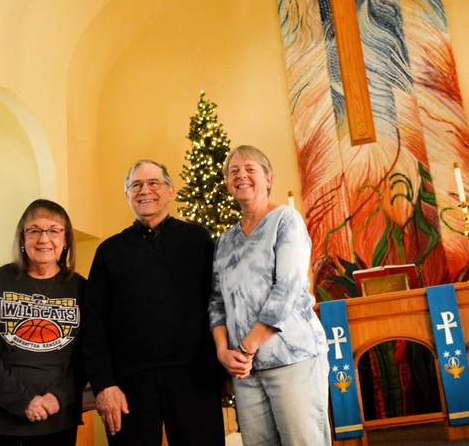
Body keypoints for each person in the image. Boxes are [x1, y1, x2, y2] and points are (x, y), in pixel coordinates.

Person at [82, 159, 224, 446]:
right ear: (127, 195)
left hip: (195, 378)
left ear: (170, 191)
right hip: (128, 386)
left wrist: (223, 365)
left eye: (153, 183)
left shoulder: (198, 240)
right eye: (136, 185)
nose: (144, 190)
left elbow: (220, 303)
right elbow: (92, 323)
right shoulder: (109, 252)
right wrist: (104, 384)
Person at [209, 145, 330, 446]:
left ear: (268, 179)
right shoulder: (226, 240)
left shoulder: (286, 220)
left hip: (292, 359)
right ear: (227, 184)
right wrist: (224, 351)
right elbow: (216, 302)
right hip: (245, 373)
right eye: (233, 171)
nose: (241, 175)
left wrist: (247, 347)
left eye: (250, 169)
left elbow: (286, 290)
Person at [0, 199, 86, 446]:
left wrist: (57, 397)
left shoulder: (81, 288)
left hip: (55, 418)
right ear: (22, 238)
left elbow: (87, 354)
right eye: (34, 230)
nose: (44, 239)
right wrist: (23, 400)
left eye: (53, 230)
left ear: (66, 241)